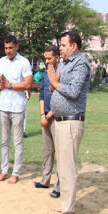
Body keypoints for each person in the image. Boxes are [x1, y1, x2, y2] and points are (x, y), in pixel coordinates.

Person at [48, 31, 91, 213]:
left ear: (74, 46)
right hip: (60, 122)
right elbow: (57, 87)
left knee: (68, 168)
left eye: (64, 45)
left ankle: (69, 208)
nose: (60, 48)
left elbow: (73, 91)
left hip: (71, 122)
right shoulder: (65, 63)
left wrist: (55, 83)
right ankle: (66, 204)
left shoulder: (81, 64)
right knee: (63, 167)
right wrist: (54, 81)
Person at [0, 35, 32, 184]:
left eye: (10, 48)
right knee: (4, 142)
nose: (8, 51)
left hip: (17, 108)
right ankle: (4, 171)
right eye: (6, 48)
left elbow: (28, 83)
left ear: (17, 47)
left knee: (17, 142)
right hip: (3, 107)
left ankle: (15, 172)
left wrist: (9, 85)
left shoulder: (24, 62)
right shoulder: (1, 62)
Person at [33, 45, 60, 198]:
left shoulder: (61, 73)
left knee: (60, 154)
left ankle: (58, 187)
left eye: (49, 58)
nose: (47, 61)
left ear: (57, 57)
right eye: (45, 58)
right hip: (46, 117)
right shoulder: (45, 74)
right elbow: (42, 96)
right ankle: (45, 180)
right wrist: (43, 115)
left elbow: (61, 98)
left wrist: (49, 116)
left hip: (57, 117)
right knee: (47, 151)